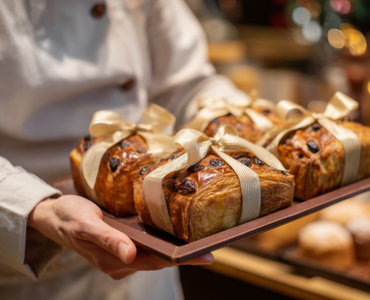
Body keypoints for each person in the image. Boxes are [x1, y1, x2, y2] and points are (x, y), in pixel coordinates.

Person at [0, 0, 248, 299]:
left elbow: (188, 84)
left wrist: (246, 124)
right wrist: (36, 207)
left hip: (154, 259)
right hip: (36, 264)